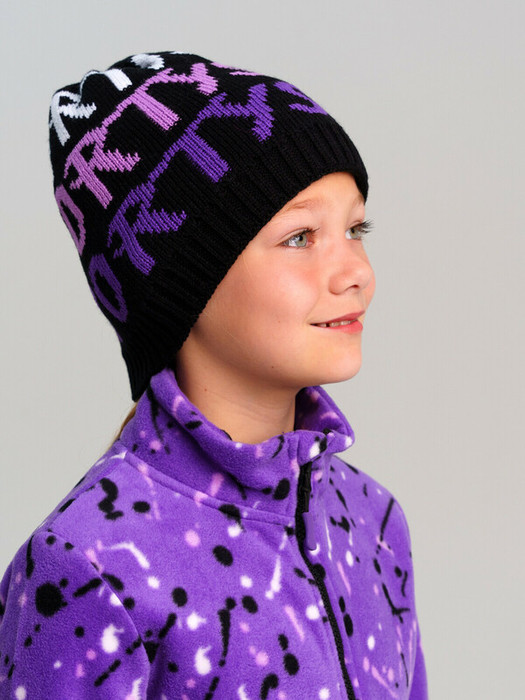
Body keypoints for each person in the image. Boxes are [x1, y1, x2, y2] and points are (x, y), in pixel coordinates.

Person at [0, 52, 428, 699]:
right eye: (300, 237)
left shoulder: (372, 524)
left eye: (354, 228)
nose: (357, 273)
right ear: (183, 283)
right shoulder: (88, 567)